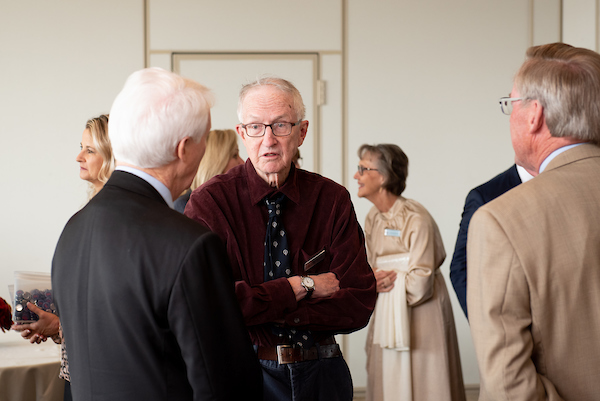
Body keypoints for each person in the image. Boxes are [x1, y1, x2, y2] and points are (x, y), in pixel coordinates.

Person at [51, 67, 262, 401]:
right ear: (184, 148)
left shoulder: (73, 230)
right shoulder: (189, 244)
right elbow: (225, 385)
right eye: (205, 140)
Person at [185, 76, 377, 401]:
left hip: (323, 374)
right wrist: (301, 287)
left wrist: (257, 304)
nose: (269, 140)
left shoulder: (332, 199)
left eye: (281, 126)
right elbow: (207, 306)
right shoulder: (209, 203)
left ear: (302, 132)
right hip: (245, 372)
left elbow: (358, 302)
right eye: (256, 127)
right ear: (242, 134)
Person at [467, 42, 600, 400]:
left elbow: (509, 388)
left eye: (510, 103)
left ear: (534, 115)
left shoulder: (499, 220)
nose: (508, 114)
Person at [12, 114, 114, 401]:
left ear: (113, 157)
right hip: (79, 369)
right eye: (80, 146)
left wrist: (58, 326)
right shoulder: (91, 212)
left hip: (102, 379)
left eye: (90, 149)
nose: (78, 156)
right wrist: (54, 323)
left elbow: (116, 310)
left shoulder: (113, 220)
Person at [355, 144, 465, 401]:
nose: (356, 175)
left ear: (382, 177)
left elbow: (420, 282)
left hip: (421, 314)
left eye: (362, 168)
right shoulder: (372, 217)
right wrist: (372, 280)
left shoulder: (417, 218)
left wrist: (387, 280)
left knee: (426, 382)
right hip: (386, 313)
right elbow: (368, 267)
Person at [449, 163, 534, 318]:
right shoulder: (486, 195)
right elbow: (461, 267)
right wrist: (484, 327)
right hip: (513, 323)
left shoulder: (568, 184)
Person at [174, 129, 243, 213]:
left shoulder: (235, 199)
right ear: (215, 162)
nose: (242, 162)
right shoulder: (185, 206)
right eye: (235, 155)